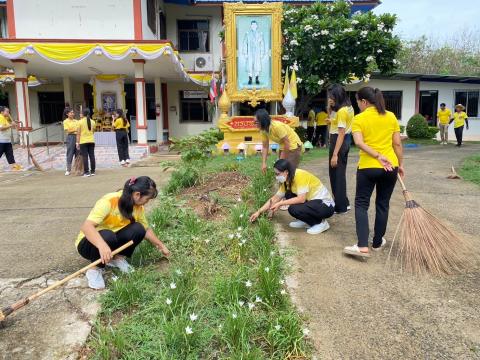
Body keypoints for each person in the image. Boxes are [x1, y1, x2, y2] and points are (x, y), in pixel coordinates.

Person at [76, 176, 170, 289]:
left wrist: (160, 245)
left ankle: (117, 259)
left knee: (138, 228)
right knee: (107, 236)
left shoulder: (138, 207)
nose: (147, 202)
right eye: (147, 199)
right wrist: (102, 245)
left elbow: (145, 230)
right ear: (137, 195)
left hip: (111, 242)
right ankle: (94, 269)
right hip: (89, 244)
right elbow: (87, 227)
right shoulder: (109, 201)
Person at [343, 87, 404, 258]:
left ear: (364, 101)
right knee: (383, 204)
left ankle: (362, 245)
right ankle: (377, 242)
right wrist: (400, 164)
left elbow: (359, 143)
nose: (358, 105)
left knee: (362, 204)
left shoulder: (359, 118)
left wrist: (377, 156)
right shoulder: (390, 116)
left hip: (368, 167)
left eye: (358, 102)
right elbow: (397, 144)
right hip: (390, 166)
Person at [250, 159, 334, 234]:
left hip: (325, 205)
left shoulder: (300, 175)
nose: (276, 177)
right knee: (289, 195)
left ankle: (320, 223)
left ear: (286, 172)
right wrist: (259, 212)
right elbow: (275, 198)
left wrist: (280, 203)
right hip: (313, 203)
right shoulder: (287, 181)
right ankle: (306, 221)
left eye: (278, 174)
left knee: (293, 208)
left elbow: (301, 199)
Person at [327, 84, 354, 214]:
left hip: (339, 141)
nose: (330, 99)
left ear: (337, 96)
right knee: (339, 173)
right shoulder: (348, 107)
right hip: (343, 140)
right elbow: (332, 118)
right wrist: (330, 107)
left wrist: (335, 154)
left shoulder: (342, 111)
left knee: (336, 174)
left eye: (331, 97)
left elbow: (341, 132)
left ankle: (340, 207)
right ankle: (344, 202)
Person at [256, 108, 303, 174]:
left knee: (289, 171)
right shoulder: (263, 130)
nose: (255, 124)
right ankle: (283, 182)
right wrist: (264, 163)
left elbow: (287, 143)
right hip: (283, 146)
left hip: (293, 146)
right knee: (281, 170)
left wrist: (282, 161)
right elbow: (265, 147)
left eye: (256, 122)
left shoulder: (277, 126)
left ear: (263, 121)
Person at [243, 20, 265, 86]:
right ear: (251, 26)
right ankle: (250, 79)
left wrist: (261, 53)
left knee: (257, 65)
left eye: (255, 25)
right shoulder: (247, 34)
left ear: (257, 26)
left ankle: (257, 79)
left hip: (257, 53)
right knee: (249, 66)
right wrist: (245, 53)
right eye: (252, 25)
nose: (253, 26)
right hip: (250, 52)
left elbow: (262, 44)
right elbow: (245, 44)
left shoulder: (260, 34)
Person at [0, 106, 22, 171]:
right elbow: (1, 128)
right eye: (7, 111)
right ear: (2, 112)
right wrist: (11, 125)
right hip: (1, 141)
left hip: (7, 140)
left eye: (8, 111)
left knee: (10, 153)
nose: (8, 113)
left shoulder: (5, 118)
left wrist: (13, 123)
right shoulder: (0, 117)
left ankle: (13, 166)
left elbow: (7, 126)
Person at [76, 108, 96, 177]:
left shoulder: (80, 122)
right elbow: (93, 131)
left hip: (83, 141)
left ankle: (86, 172)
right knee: (92, 156)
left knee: (85, 157)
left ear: (83, 114)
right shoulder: (93, 122)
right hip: (91, 140)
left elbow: (78, 133)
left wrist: (77, 142)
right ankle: (93, 171)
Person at [63, 107, 78, 176]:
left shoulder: (76, 121)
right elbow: (67, 131)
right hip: (70, 137)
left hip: (77, 137)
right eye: (71, 112)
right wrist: (75, 130)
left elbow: (79, 129)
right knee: (70, 153)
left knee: (77, 153)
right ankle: (68, 169)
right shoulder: (65, 121)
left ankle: (77, 168)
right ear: (67, 114)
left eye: (73, 112)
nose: (72, 114)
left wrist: (74, 130)